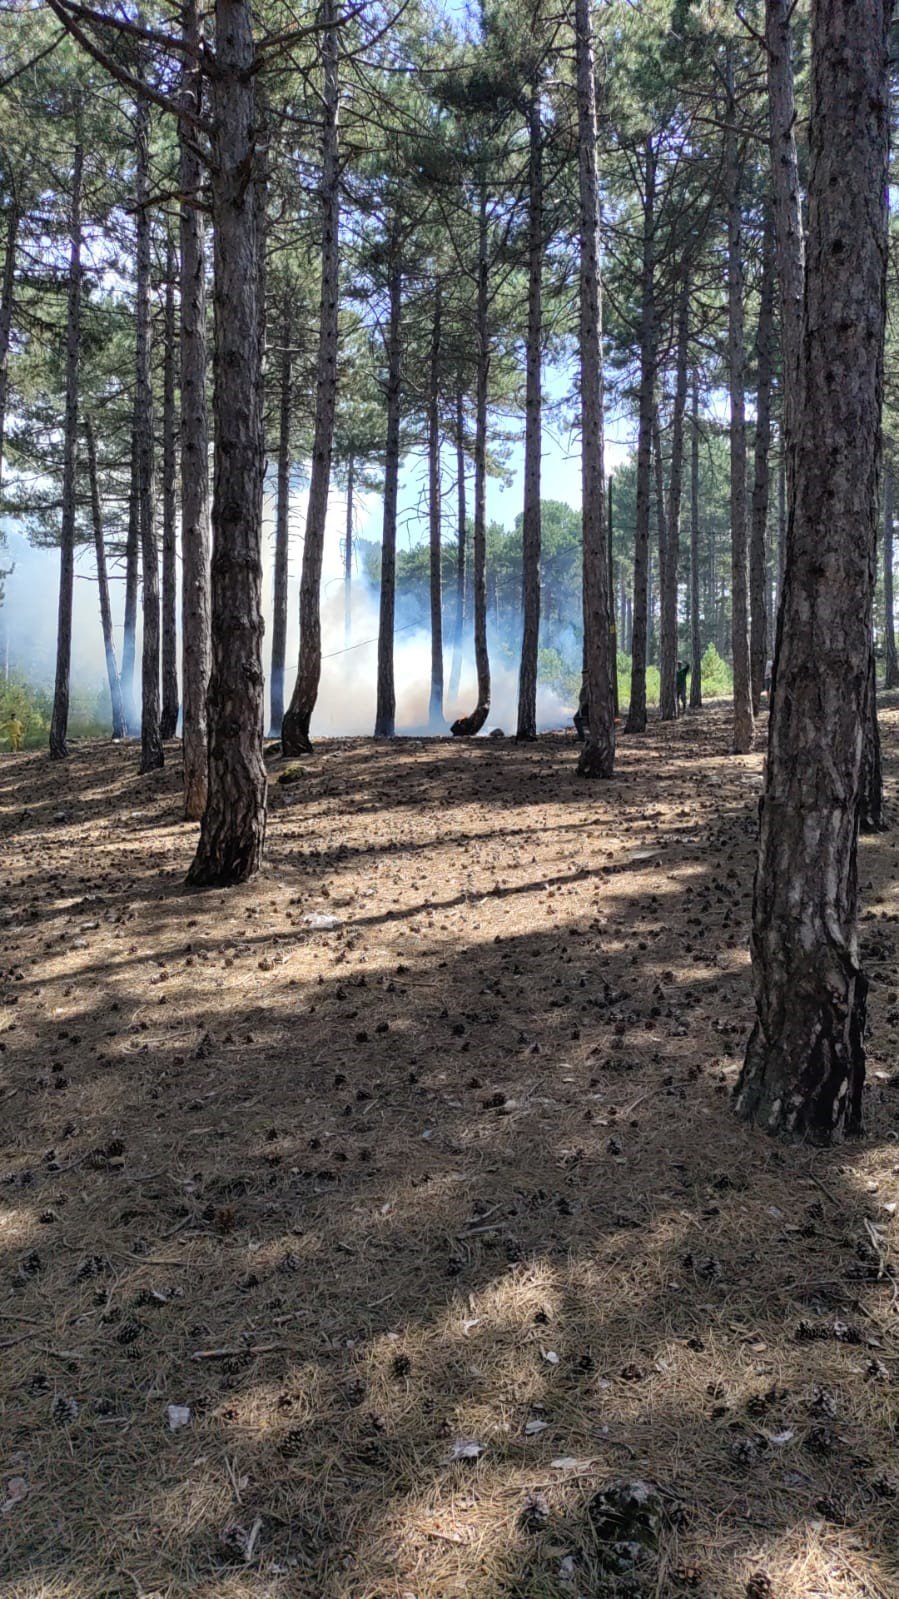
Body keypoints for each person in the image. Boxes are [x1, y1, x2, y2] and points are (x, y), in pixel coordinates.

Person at [573, 677, 589, 742]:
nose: (584, 675)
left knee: (576, 719)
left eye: (585, 673)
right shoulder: (587, 683)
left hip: (587, 706)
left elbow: (586, 698)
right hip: (585, 706)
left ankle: (582, 737)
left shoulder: (590, 684)